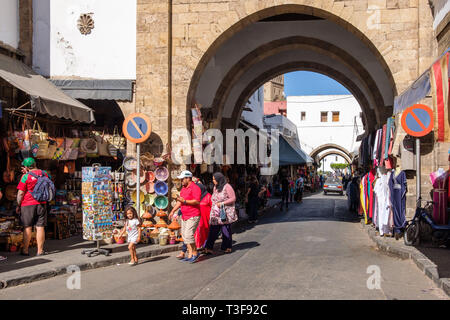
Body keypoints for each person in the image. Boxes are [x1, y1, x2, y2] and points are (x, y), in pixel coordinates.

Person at [16, 157, 50, 256]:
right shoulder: (44, 173)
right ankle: (40, 251)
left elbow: (20, 194)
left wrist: (18, 204)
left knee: (27, 227)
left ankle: (25, 250)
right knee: (40, 227)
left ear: (26, 167)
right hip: (42, 203)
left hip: (27, 205)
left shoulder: (25, 177)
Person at [169, 170, 202, 263]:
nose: (181, 181)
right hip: (184, 215)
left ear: (188, 178)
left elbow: (196, 201)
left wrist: (185, 201)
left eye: (182, 179)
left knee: (188, 235)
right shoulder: (183, 188)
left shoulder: (195, 188)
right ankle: (190, 254)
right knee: (185, 236)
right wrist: (172, 211)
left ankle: (195, 253)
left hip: (193, 215)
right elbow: (180, 201)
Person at [205, 172, 237, 254]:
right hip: (216, 212)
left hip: (224, 212)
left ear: (219, 179)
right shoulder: (215, 187)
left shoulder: (227, 187)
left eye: (214, 179)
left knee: (225, 229)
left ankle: (227, 246)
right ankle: (209, 248)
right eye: (213, 179)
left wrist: (222, 203)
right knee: (213, 230)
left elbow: (233, 198)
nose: (213, 181)